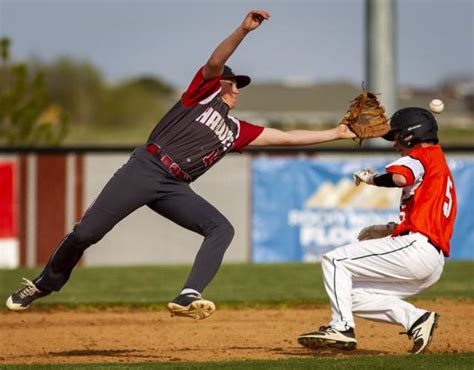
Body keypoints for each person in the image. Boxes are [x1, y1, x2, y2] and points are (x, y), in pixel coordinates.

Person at [6, 10, 355, 320]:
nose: (237, 89)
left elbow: (286, 137)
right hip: (146, 167)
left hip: (175, 186)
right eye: (233, 83)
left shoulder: (236, 130)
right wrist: (242, 31)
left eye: (239, 86)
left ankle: (189, 294)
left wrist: (337, 132)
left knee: (221, 228)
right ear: (218, 84)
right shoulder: (200, 95)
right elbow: (216, 61)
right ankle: (42, 284)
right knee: (86, 234)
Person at [297, 107, 457, 354]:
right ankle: (415, 319)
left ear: (410, 135)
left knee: (335, 260)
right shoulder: (439, 166)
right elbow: (429, 217)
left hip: (417, 250)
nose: (395, 144)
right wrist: (389, 229)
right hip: (430, 260)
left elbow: (401, 178)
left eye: (396, 136)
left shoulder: (422, 156)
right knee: (349, 294)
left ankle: (341, 327)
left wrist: (371, 178)